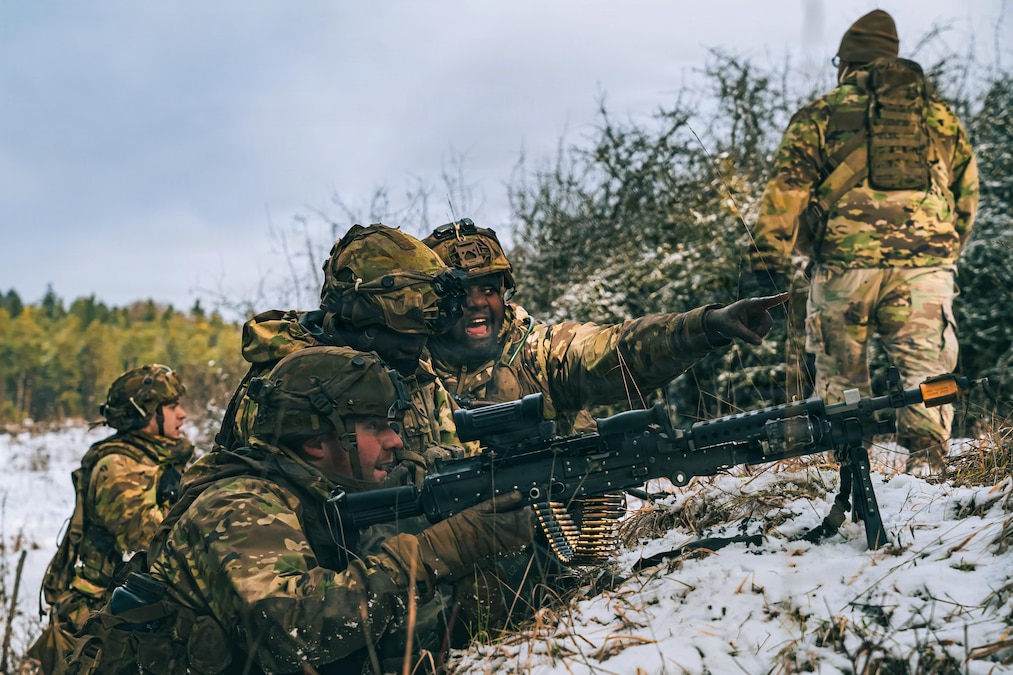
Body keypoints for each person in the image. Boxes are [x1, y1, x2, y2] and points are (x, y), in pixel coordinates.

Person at [70, 346, 534, 675]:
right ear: (314, 442)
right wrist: (441, 549)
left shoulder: (314, 488)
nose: (394, 441)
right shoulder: (240, 504)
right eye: (375, 427)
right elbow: (294, 629)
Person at [422, 218, 788, 562]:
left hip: (559, 554)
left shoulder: (542, 351)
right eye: (460, 291)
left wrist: (706, 326)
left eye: (488, 289)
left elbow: (616, 348)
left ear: (505, 292)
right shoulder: (407, 372)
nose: (475, 303)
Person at [748, 9, 979, 475]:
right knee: (927, 370)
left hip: (843, 269)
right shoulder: (940, 118)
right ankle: (929, 471)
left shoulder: (821, 114)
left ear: (847, 62)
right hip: (925, 268)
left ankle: (849, 468)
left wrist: (766, 257)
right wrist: (941, 254)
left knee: (842, 373)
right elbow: (966, 196)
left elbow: (785, 192)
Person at [216, 222, 470, 484]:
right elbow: (299, 498)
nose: (416, 344)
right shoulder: (292, 384)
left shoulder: (414, 372)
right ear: (357, 315)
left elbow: (455, 442)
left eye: (425, 327)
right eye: (403, 326)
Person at [28, 364, 193, 674]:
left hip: (133, 609)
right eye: (172, 407)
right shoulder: (117, 467)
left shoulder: (157, 458)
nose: (182, 414)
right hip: (100, 615)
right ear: (144, 414)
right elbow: (150, 541)